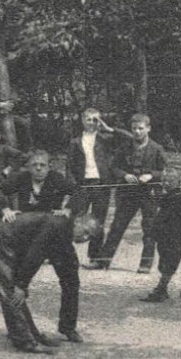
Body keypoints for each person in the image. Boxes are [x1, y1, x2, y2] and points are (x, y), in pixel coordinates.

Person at [0, 151, 84, 346]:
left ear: (49, 166)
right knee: (18, 284)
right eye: (34, 165)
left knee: (71, 280)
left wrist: (68, 209)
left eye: (42, 165)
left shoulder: (57, 179)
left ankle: (68, 327)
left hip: (55, 237)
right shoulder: (20, 179)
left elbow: (80, 191)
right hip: (28, 237)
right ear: (28, 166)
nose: (38, 168)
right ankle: (18, 326)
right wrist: (5, 209)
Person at [95, 112, 168, 271]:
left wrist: (151, 175)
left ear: (148, 129)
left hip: (149, 194)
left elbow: (166, 172)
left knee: (149, 229)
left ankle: (145, 264)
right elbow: (114, 167)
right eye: (134, 128)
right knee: (117, 226)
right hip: (128, 193)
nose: (137, 132)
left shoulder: (157, 149)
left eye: (141, 128)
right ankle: (103, 261)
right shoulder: (125, 147)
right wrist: (125, 175)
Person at [67, 108, 117, 261]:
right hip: (82, 184)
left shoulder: (106, 139)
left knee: (98, 220)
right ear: (82, 120)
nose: (91, 123)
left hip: (101, 184)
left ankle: (94, 255)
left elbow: (126, 138)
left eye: (95, 120)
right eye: (88, 119)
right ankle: (64, 251)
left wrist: (108, 128)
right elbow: (69, 165)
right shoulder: (75, 141)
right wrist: (72, 185)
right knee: (74, 218)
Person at [140, 170, 181, 303]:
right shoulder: (167, 196)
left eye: (171, 181)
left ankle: (161, 289)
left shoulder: (179, 198)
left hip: (173, 235)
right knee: (163, 261)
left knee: (169, 262)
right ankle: (162, 289)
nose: (167, 183)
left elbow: (178, 219)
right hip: (163, 236)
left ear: (178, 183)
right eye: (164, 181)